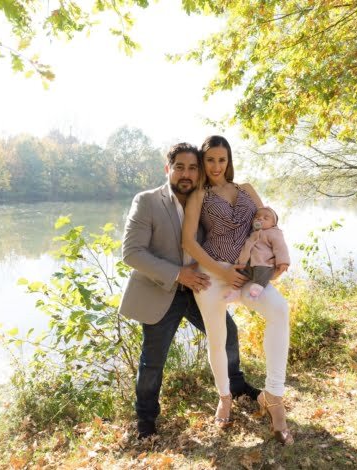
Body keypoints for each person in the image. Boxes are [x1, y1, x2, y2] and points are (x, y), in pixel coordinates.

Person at [119, 142, 260, 440]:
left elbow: (229, 233)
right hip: (163, 292)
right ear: (167, 168)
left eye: (193, 167)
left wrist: (262, 254)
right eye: (180, 167)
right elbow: (131, 253)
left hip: (201, 288)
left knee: (228, 335)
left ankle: (236, 385)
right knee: (152, 360)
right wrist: (177, 274)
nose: (186, 173)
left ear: (200, 171)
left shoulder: (205, 199)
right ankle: (145, 420)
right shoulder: (147, 201)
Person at [182, 135, 293, 445]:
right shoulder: (198, 196)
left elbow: (269, 225)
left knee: (279, 310)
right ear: (203, 163)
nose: (217, 166)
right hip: (213, 274)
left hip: (249, 275)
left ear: (229, 160)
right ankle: (225, 397)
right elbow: (188, 242)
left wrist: (277, 260)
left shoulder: (247, 190)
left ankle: (274, 398)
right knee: (218, 339)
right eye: (210, 160)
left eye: (222, 159)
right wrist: (222, 271)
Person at [224, 206, 290, 302]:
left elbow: (280, 247)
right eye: (257, 217)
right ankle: (235, 292)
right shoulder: (253, 234)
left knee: (262, 272)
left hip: (263, 262)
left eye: (265, 218)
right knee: (239, 275)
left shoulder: (274, 233)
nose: (260, 218)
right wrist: (239, 261)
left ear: (273, 224)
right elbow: (246, 248)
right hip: (247, 263)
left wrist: (283, 262)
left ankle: (257, 288)